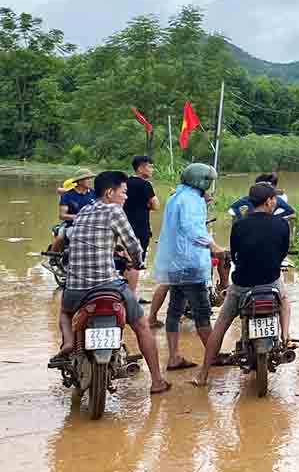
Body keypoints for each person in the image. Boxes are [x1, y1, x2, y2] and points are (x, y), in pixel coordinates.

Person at [50, 170, 170, 395]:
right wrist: (136, 262)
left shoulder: (84, 211)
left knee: (65, 313)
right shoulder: (114, 210)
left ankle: (67, 342)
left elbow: (78, 238)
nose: (125, 197)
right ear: (109, 192)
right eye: (123, 192)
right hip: (107, 285)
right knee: (142, 325)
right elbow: (133, 244)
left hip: (76, 288)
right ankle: (157, 381)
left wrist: (114, 248)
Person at [193, 182, 293, 387]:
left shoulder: (239, 225)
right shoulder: (281, 224)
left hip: (242, 286)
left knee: (220, 325)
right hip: (270, 283)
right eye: (274, 199)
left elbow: (236, 255)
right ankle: (286, 336)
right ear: (268, 201)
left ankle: (203, 374)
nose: (275, 203)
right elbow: (283, 252)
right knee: (284, 299)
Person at [154, 163, 225, 371]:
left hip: (176, 262)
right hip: (190, 263)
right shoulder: (192, 199)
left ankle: (174, 357)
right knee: (202, 312)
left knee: (174, 311)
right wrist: (213, 245)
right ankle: (213, 357)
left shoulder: (177, 196)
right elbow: (192, 228)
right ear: (201, 181)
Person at [122, 156, 159, 296]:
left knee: (125, 261)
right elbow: (156, 205)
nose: (152, 170)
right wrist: (146, 205)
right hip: (140, 228)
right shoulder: (145, 185)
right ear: (141, 168)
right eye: (150, 166)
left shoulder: (124, 182)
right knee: (135, 263)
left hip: (122, 227)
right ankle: (130, 296)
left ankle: (123, 294)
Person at [228, 173, 295, 220]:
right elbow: (291, 210)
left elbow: (234, 206)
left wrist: (241, 218)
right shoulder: (277, 199)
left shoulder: (249, 198)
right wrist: (241, 218)